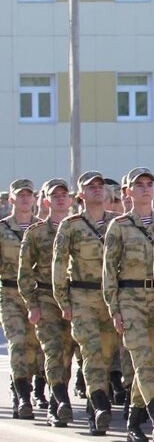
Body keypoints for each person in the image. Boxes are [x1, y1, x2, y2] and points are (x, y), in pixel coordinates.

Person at [102, 168, 154, 442]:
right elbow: (108, 270)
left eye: (148, 184)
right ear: (127, 192)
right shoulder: (118, 225)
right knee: (142, 359)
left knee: (152, 363)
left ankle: (132, 422)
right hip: (130, 298)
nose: (144, 189)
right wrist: (114, 308)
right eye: (138, 185)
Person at [52, 172, 122, 435]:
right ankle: (100, 404)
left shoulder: (118, 223)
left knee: (106, 354)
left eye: (100, 186)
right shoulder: (70, 225)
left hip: (110, 298)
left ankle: (96, 408)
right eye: (89, 187)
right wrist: (63, 300)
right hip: (81, 296)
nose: (96, 190)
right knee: (92, 352)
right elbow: (59, 266)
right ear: (80, 194)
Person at [20, 179, 76, 426]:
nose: (61, 199)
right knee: (53, 350)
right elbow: (24, 272)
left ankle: (56, 399)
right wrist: (32, 304)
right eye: (55, 196)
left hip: (76, 298)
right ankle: (60, 401)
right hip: (45, 297)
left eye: (64, 195)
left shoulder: (79, 228)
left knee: (68, 352)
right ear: (46, 201)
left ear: (71, 200)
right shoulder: (36, 232)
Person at [2, 179, 39, 420]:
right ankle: (22, 394)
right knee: (17, 342)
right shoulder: (2, 228)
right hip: (9, 293)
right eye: (20, 195)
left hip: (38, 295)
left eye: (28, 195)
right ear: (12, 199)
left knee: (35, 348)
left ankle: (31, 386)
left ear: (34, 199)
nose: (25, 198)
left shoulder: (42, 229)